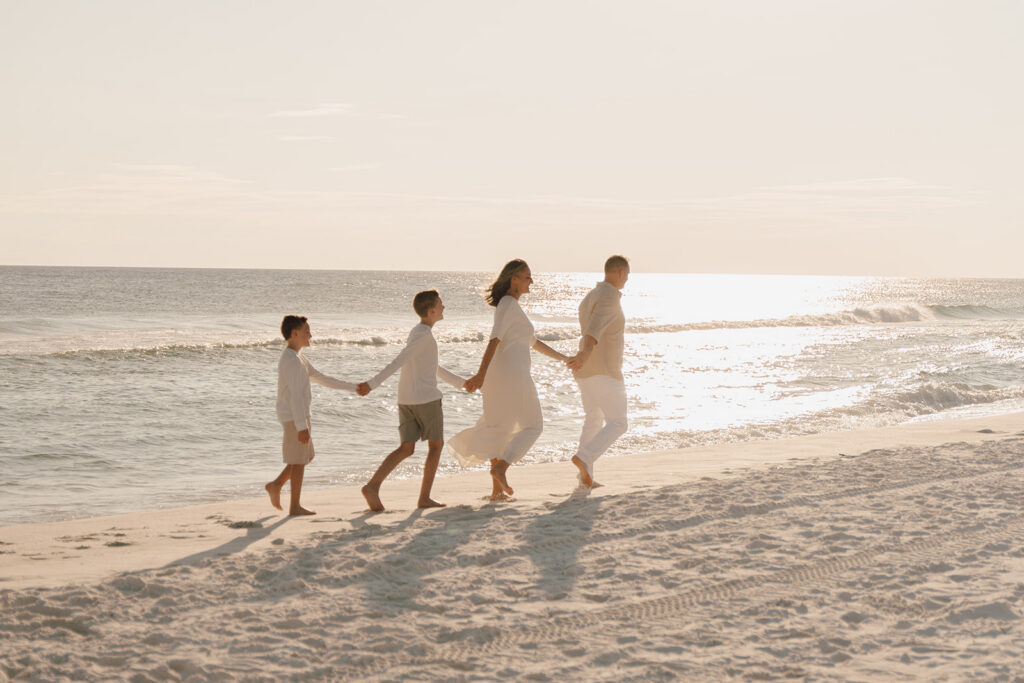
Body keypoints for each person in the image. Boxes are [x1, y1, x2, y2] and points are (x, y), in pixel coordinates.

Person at [448, 259, 572, 500]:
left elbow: (533, 342)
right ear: (514, 278)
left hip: (504, 375)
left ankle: (496, 491)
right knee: (534, 426)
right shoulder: (508, 304)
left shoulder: (511, 306)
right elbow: (494, 339)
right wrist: (480, 375)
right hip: (511, 375)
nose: (531, 281)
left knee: (500, 429)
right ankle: (501, 467)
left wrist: (563, 357)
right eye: (527, 276)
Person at [357, 290, 466, 512]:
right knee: (436, 446)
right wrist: (372, 383)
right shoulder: (423, 335)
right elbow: (400, 360)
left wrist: (461, 383)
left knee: (407, 448)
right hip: (426, 400)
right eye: (441, 304)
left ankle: (372, 486)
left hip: (406, 399)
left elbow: (431, 366)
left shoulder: (418, 333)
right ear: (431, 310)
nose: (444, 307)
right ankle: (424, 497)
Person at [266, 315, 358, 516]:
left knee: (305, 457)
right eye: (307, 331)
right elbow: (296, 397)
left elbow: (321, 378)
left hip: (299, 416)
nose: (311, 335)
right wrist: (301, 426)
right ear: (294, 333)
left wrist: (354, 388)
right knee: (299, 461)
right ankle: (294, 506)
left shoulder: (298, 358)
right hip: (294, 417)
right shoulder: (291, 360)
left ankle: (276, 485)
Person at [566, 255, 630, 488]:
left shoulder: (590, 295)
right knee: (619, 422)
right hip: (604, 369)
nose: (626, 280)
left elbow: (589, 329)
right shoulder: (609, 297)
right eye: (627, 275)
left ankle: (586, 478)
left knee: (593, 419)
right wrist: (584, 353)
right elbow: (592, 331)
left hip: (586, 372)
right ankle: (585, 457)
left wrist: (583, 357)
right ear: (621, 273)